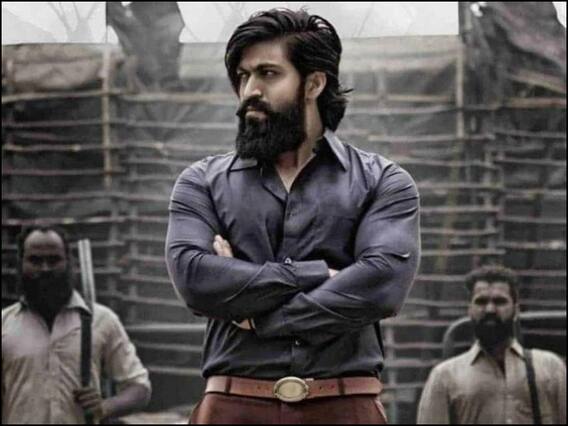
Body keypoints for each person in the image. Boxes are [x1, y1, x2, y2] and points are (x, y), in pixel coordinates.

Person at [165, 8, 420, 424]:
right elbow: (196, 278)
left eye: (268, 74)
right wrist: (317, 274)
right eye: (243, 76)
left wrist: (253, 313)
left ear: (314, 83)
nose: (250, 90)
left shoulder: (382, 181)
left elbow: (381, 285)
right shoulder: (202, 183)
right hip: (232, 406)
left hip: (344, 405)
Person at [2, 226, 152, 424]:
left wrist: (105, 407)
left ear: (68, 262)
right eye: (35, 260)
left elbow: (139, 387)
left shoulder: (101, 320)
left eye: (54, 260)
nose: (45, 268)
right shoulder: (4, 324)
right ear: (21, 264)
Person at [417, 265, 566, 424]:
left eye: (500, 301)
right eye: (481, 302)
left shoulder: (550, 368)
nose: (490, 309)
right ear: (470, 309)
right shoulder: (445, 376)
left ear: (516, 310)